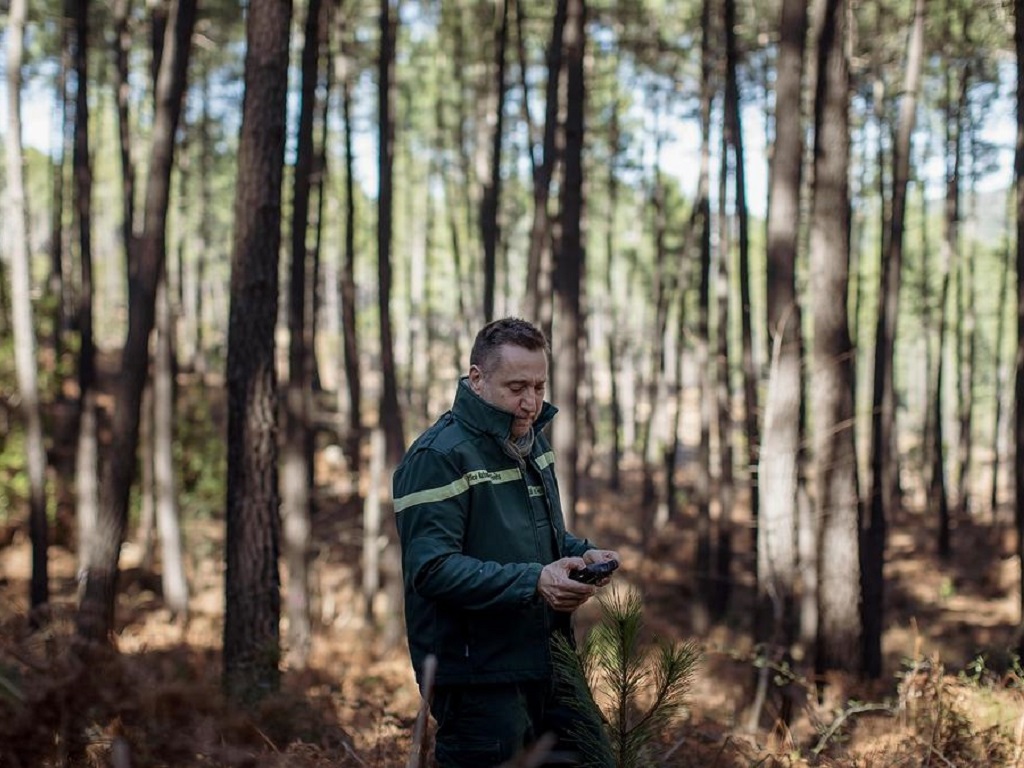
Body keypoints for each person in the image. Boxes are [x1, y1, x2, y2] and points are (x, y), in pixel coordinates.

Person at [393, 316, 620, 768]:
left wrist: (579, 554)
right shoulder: (438, 457)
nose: (531, 402)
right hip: (478, 678)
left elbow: (532, 537)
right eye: (517, 387)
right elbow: (432, 569)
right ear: (476, 378)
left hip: (549, 662)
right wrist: (536, 581)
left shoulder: (531, 444)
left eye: (539, 387)